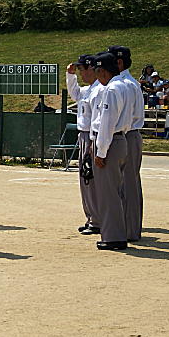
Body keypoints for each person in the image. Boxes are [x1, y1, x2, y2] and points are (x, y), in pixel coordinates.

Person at [92, 52, 131, 250]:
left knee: (108, 193)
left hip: (111, 142)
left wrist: (101, 152)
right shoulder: (124, 86)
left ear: (103, 71)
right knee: (116, 191)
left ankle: (113, 237)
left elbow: (107, 123)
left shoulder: (111, 89)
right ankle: (117, 233)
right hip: (120, 139)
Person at [108, 45, 143, 243]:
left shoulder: (124, 84)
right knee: (128, 183)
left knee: (128, 184)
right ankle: (128, 227)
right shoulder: (126, 83)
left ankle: (130, 230)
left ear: (119, 62)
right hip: (128, 134)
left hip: (128, 134)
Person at [66, 56, 102, 235]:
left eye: (82, 70)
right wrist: (70, 75)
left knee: (91, 179)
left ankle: (97, 220)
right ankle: (90, 217)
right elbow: (74, 93)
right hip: (84, 135)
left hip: (91, 136)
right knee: (85, 179)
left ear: (92, 69)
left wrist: (92, 143)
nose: (81, 73)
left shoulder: (99, 90)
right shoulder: (88, 90)